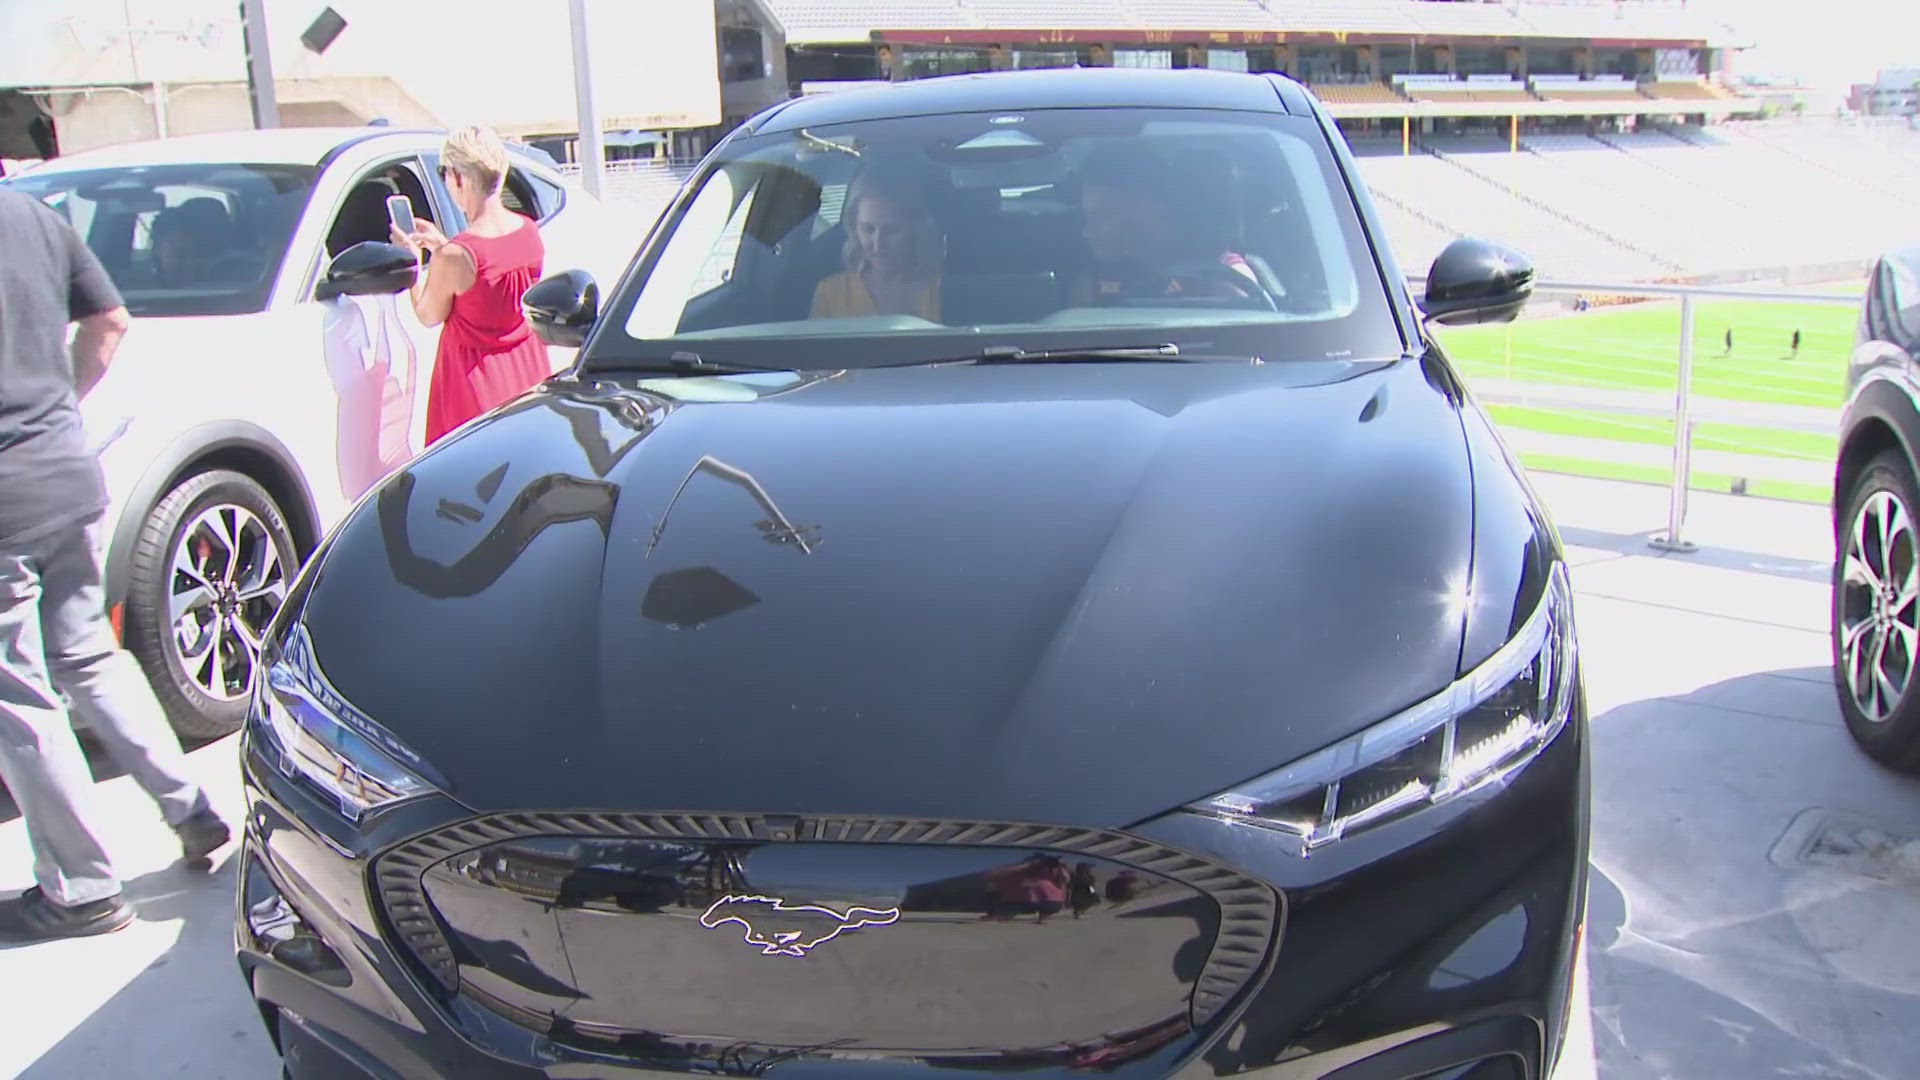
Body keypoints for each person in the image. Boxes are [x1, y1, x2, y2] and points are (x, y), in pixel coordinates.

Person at [0, 187, 230, 943]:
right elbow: (109, 321)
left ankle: (81, 890)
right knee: (89, 656)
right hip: (66, 470)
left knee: (21, 691)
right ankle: (192, 810)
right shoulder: (32, 215)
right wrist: (54, 408)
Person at [391, 126, 549, 446]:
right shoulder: (529, 231)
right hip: (528, 375)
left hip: (474, 388)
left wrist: (411, 261)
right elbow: (485, 280)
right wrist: (443, 247)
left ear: (459, 178)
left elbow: (428, 314)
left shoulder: (455, 255)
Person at [1069, 146, 1261, 307]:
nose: (1087, 232)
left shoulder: (1224, 280)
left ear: (1143, 209)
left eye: (1100, 217)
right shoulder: (1098, 281)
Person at [810, 162, 945, 321]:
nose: (878, 243)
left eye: (891, 230)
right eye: (868, 229)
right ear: (854, 228)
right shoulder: (832, 292)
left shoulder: (942, 291)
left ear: (914, 228)